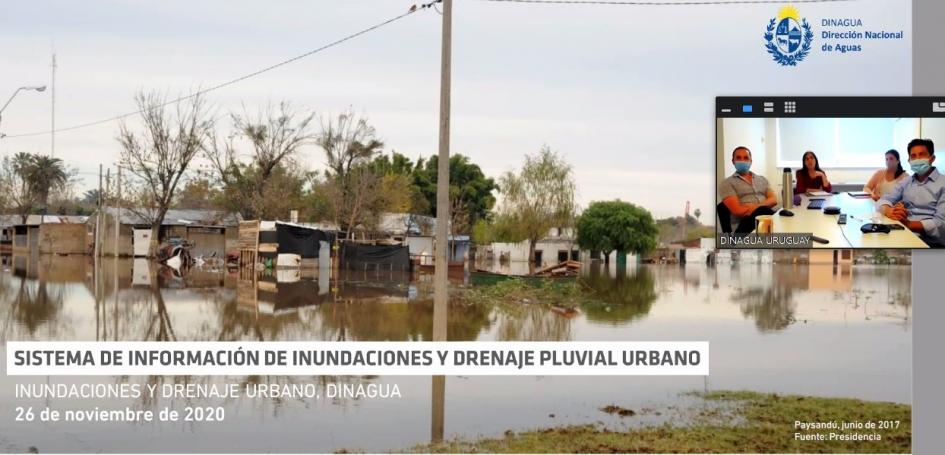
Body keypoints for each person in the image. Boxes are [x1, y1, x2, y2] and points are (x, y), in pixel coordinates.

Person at [879, 139, 945, 247]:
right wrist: (888, 210)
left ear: (932, 158)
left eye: (922, 155)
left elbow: (941, 223)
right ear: (909, 160)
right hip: (904, 233)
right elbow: (885, 199)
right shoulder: (906, 181)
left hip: (930, 242)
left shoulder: (943, 184)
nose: (917, 159)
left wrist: (908, 224)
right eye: (913, 156)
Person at [719, 146, 778, 233]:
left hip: (764, 220)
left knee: (777, 212)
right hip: (743, 227)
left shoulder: (762, 179)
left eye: (746, 158)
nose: (742, 160)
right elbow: (738, 211)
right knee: (764, 211)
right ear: (733, 161)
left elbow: (773, 200)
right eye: (738, 158)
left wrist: (754, 207)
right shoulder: (727, 183)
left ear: (750, 161)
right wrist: (761, 207)